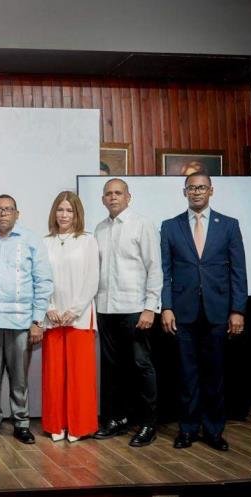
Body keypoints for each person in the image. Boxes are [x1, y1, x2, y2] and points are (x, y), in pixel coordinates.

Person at [160, 172, 247, 452]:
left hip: (218, 312)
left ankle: (213, 431)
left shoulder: (229, 226)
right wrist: (167, 306)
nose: (196, 192)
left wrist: (238, 310)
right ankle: (187, 429)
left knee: (215, 375)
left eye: (201, 188)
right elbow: (165, 272)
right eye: (191, 188)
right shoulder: (170, 226)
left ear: (211, 190)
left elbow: (238, 271)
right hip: (182, 313)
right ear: (184, 192)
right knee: (187, 375)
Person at [0, 194, 53, 445]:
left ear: (17, 214)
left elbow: (43, 282)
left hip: (21, 322)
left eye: (8, 209)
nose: (3, 213)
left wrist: (37, 320)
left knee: (19, 378)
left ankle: (21, 423)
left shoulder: (31, 240)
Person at [93, 178, 162, 447]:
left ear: (128, 197)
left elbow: (154, 267)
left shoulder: (142, 224)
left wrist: (150, 307)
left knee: (141, 366)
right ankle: (117, 418)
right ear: (103, 199)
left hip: (135, 309)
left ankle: (148, 423)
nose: (113, 197)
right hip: (106, 308)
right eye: (108, 194)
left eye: (118, 193)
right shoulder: (99, 229)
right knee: (111, 369)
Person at [41, 191, 99, 443]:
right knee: (54, 375)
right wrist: (50, 307)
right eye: (60, 210)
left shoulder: (88, 241)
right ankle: (56, 423)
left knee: (80, 375)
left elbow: (92, 279)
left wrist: (74, 309)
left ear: (77, 214)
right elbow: (41, 280)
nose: (64, 215)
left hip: (79, 316)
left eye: (69, 211)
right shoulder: (45, 242)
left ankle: (78, 425)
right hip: (52, 317)